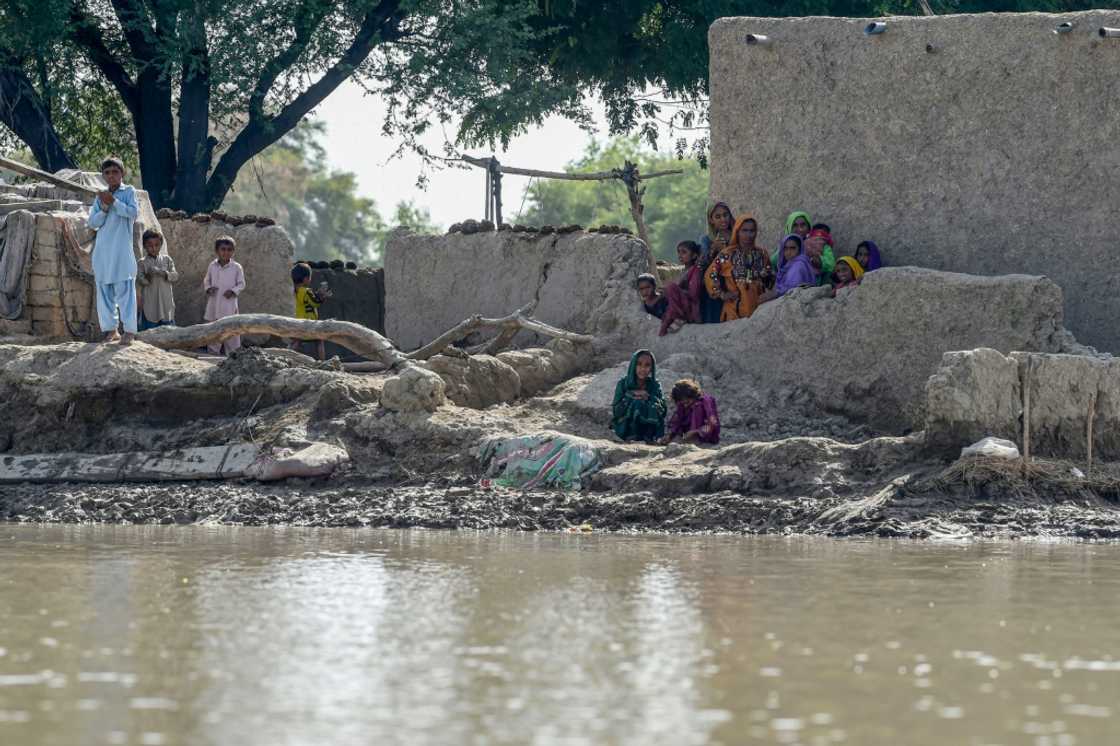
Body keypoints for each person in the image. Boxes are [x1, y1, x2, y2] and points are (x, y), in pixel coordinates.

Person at [87, 157, 139, 345]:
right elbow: (93, 223)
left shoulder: (129, 191)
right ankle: (111, 330)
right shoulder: (100, 197)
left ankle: (130, 332)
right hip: (103, 251)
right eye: (107, 172)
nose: (111, 176)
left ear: (122, 173)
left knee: (125, 291)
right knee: (104, 292)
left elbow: (133, 213)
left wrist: (115, 202)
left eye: (114, 172)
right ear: (103, 175)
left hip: (121, 252)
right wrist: (106, 206)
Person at [705, 215, 773, 322]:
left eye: (752, 231)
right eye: (744, 230)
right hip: (734, 312)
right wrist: (722, 294)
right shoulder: (727, 254)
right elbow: (711, 274)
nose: (749, 235)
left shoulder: (762, 254)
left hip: (759, 311)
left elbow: (770, 279)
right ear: (737, 231)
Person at [611, 349, 667, 443]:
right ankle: (632, 436)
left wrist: (648, 397)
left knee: (651, 405)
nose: (643, 369)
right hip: (626, 427)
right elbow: (616, 412)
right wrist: (631, 396)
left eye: (647, 365)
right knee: (637, 403)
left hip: (649, 430)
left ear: (652, 368)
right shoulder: (624, 384)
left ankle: (648, 437)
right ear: (633, 365)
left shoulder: (654, 385)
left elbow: (663, 410)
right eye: (639, 364)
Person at [203, 235, 246, 355]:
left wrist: (233, 291)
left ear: (233, 251)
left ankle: (234, 356)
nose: (226, 252)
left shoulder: (237, 267)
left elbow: (241, 284)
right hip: (214, 303)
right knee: (213, 332)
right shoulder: (212, 265)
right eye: (223, 249)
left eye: (229, 249)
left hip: (229, 306)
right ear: (217, 251)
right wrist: (209, 289)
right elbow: (207, 280)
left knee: (232, 333)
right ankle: (212, 354)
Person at [698, 202, 734, 324]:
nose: (723, 219)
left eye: (725, 215)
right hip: (715, 285)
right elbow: (701, 265)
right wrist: (714, 249)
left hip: (735, 283)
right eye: (718, 217)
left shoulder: (738, 234)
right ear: (711, 220)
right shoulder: (707, 240)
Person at [657, 240, 703, 336]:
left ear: (694, 255)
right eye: (679, 252)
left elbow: (694, 294)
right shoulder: (683, 271)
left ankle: (680, 318)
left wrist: (675, 291)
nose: (680, 255)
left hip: (690, 308)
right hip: (682, 305)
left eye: (684, 252)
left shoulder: (696, 270)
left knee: (671, 287)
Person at [135, 229, 178, 330]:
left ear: (161, 245)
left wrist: (162, 273)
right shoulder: (142, 263)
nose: (153, 248)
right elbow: (142, 281)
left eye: (157, 245)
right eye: (150, 245)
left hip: (166, 303)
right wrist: (149, 275)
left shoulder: (167, 260)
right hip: (150, 304)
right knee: (150, 334)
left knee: (169, 334)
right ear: (145, 246)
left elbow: (175, 276)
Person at [659, 379, 720, 445]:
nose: (685, 405)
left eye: (687, 402)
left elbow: (712, 424)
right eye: (683, 403)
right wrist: (670, 436)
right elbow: (677, 421)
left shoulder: (705, 401)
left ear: (693, 395)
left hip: (706, 435)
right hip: (687, 435)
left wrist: (695, 432)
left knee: (697, 406)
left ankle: (695, 439)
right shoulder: (682, 404)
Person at [291, 262, 333, 360]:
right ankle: (322, 362)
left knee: (297, 341)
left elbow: (308, 301)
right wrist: (322, 296)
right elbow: (315, 303)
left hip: (299, 322)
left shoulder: (297, 291)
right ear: (306, 279)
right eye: (309, 277)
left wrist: (317, 294)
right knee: (320, 340)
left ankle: (287, 357)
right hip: (310, 323)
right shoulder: (307, 291)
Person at [761, 234, 818, 303]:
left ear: (799, 249)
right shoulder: (788, 264)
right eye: (785, 248)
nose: (789, 252)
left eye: (792, 248)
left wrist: (773, 294)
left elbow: (791, 287)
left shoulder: (798, 265)